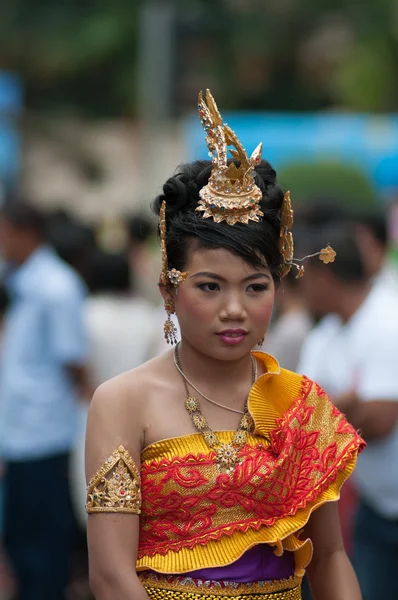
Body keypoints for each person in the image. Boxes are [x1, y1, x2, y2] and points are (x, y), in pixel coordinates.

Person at [85, 90, 364, 600]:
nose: (234, 309)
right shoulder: (122, 402)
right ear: (169, 290)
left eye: (255, 287)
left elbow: (330, 557)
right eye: (209, 286)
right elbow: (109, 575)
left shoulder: (302, 405)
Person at [297, 222, 398, 600]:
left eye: (303, 275)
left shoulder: (388, 319)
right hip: (374, 508)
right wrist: (350, 405)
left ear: (324, 276)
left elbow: (382, 421)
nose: (298, 286)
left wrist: (328, 410)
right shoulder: (324, 334)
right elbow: (299, 417)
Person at [0, 200, 89, 600]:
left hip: (45, 431)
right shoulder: (18, 280)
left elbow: (74, 361)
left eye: (4, 232)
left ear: (26, 232)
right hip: (19, 431)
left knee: (44, 542)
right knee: (20, 536)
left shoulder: (57, 286)